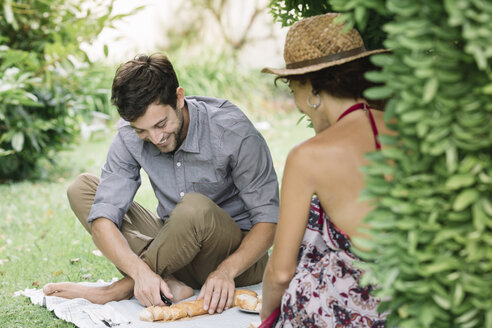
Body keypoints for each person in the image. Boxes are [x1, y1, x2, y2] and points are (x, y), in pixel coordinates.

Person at [43, 53, 279, 315]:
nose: (155, 138)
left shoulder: (232, 131)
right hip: (176, 247)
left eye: (161, 124)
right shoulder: (129, 134)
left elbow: (269, 222)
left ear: (179, 98)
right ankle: (166, 281)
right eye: (142, 130)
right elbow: (102, 219)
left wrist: (226, 271)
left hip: (234, 258)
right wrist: (139, 271)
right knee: (82, 188)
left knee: (194, 207)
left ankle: (117, 289)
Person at [259, 13, 392, 327]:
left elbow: (280, 272)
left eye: (294, 92)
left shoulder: (308, 156)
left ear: (310, 88)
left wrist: (267, 317)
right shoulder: (409, 130)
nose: (299, 104)